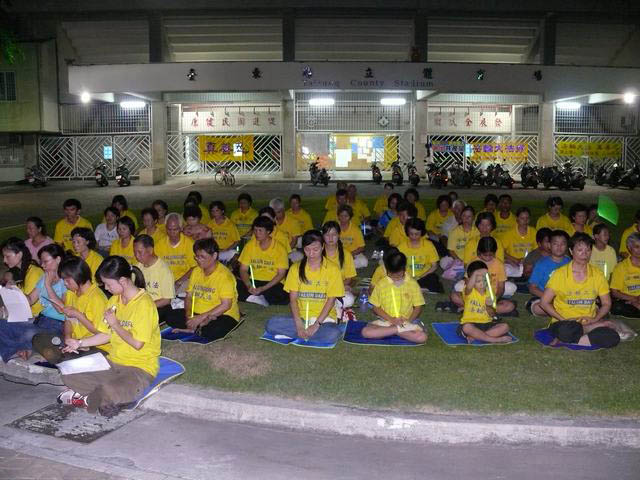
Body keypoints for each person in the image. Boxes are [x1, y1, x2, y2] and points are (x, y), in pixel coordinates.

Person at [57, 256, 161, 416]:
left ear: (123, 281)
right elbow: (105, 334)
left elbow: (137, 344)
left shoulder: (144, 304)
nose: (106, 288)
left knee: (109, 390)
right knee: (68, 372)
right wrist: (79, 343)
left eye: (108, 284)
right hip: (112, 363)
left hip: (139, 368)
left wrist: (116, 324)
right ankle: (98, 398)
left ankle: (91, 397)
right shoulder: (113, 300)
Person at [539, 233, 619, 348]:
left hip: (589, 321)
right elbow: (544, 302)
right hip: (564, 323)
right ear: (571, 251)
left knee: (613, 337)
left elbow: (607, 303)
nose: (584, 254)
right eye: (580, 250)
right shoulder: (560, 274)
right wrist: (564, 320)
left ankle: (571, 338)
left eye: (588, 250)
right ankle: (584, 332)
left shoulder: (597, 274)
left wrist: (595, 319)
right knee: (565, 330)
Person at [265, 230, 344, 343]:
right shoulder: (295, 269)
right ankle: (304, 333)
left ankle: (301, 334)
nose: (311, 253)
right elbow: (293, 300)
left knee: (332, 334)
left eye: (315, 249)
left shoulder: (333, 269)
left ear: (322, 247)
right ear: (303, 249)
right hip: (301, 318)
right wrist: (299, 325)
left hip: (324, 320)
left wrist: (316, 324)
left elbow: (331, 301)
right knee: (271, 324)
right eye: (307, 249)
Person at [32, 256, 109, 364]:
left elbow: (100, 333)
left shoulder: (97, 298)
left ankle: (61, 359)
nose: (65, 284)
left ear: (78, 276)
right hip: (75, 343)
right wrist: (68, 339)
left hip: (93, 345)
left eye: (67, 280)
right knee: (37, 338)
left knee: (62, 356)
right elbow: (68, 321)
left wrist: (78, 315)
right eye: (63, 280)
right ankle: (61, 358)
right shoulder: (71, 293)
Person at [0, 244, 67, 362]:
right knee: (2, 324)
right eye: (41, 262)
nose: (43, 265)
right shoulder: (44, 277)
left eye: (46, 261)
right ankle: (17, 350)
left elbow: (62, 310)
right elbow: (30, 299)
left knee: (29, 334)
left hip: (57, 325)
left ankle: (17, 350)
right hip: (40, 321)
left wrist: (48, 285)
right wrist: (14, 289)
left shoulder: (66, 280)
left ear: (58, 259)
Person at [166, 238, 242, 340]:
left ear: (214, 256)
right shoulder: (196, 271)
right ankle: (198, 327)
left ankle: (199, 326)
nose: (198, 259)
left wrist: (201, 318)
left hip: (221, 315)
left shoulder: (224, 276)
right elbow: (189, 297)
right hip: (198, 313)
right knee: (170, 315)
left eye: (202, 257)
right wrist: (189, 315)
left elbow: (226, 305)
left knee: (214, 330)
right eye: (197, 256)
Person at [362, 250, 427, 344]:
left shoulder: (413, 284)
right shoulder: (381, 284)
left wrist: (408, 321)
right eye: (392, 275)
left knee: (422, 337)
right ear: (387, 269)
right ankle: (397, 330)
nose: (395, 277)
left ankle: (390, 331)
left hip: (407, 322)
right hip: (385, 320)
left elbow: (418, 307)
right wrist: (391, 320)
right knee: (365, 332)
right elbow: (376, 307)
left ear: (404, 269)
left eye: (399, 275)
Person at [448, 237, 516, 315]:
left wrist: (494, 298)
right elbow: (468, 284)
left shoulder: (499, 264)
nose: (487, 258)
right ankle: (484, 311)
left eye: (490, 255)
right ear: (479, 252)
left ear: (495, 252)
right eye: (485, 255)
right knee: (454, 296)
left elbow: (501, 287)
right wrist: (476, 298)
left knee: (510, 306)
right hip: (474, 297)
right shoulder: (473, 263)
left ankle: (472, 310)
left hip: (490, 298)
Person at [237, 216, 289, 306]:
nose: (257, 233)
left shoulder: (280, 248)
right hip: (254, 281)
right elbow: (243, 269)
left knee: (281, 294)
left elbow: (281, 274)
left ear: (268, 231)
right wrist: (249, 285)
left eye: (260, 230)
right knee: (235, 285)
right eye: (255, 230)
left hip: (271, 283)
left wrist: (263, 288)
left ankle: (254, 298)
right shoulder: (250, 246)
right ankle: (257, 298)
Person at [457, 260, 512, 344]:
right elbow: (469, 287)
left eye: (484, 280)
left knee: (505, 327)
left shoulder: (490, 294)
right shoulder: (469, 291)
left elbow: (492, 314)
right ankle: (494, 339)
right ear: (471, 281)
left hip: (487, 323)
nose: (482, 283)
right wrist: (476, 273)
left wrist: (488, 306)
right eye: (478, 281)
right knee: (467, 327)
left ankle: (475, 336)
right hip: (471, 323)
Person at [133, 235, 180, 325]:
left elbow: (166, 300)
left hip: (157, 307)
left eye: (140, 252)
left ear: (150, 250)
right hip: (140, 304)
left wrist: (145, 306)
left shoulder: (163, 270)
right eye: (135, 252)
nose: (137, 256)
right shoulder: (137, 266)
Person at [527, 230, 571, 316]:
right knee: (537, 308)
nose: (559, 247)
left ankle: (562, 311)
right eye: (555, 244)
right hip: (544, 297)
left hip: (565, 298)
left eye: (562, 244)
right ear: (549, 245)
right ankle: (564, 312)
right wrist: (550, 298)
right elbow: (532, 288)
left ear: (567, 246)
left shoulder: (570, 263)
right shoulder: (541, 264)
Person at [155, 213, 197, 295]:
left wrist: (179, 282)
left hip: (185, 280)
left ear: (181, 228)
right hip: (165, 281)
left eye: (175, 229)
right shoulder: (159, 245)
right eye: (169, 229)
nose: (172, 232)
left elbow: (194, 267)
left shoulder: (190, 244)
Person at [398, 218, 443, 293]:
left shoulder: (429, 245)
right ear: (407, 233)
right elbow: (397, 266)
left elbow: (434, 266)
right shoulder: (401, 247)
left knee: (433, 278)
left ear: (422, 233)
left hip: (423, 276)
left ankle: (414, 289)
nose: (414, 237)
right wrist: (407, 277)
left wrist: (420, 277)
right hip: (407, 277)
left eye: (417, 234)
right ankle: (420, 289)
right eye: (411, 234)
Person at [2, 237, 44, 317]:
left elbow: (27, 302)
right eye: (4, 257)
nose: (4, 260)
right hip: (26, 314)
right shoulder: (20, 269)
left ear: (20, 254)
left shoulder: (34, 272)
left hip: (35, 316)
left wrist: (14, 288)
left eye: (7, 256)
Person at [322, 221, 356, 312]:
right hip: (321, 288)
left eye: (334, 234)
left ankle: (331, 304)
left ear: (339, 235)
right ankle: (332, 304)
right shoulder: (318, 252)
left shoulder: (346, 254)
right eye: (327, 235)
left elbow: (349, 279)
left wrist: (336, 287)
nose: (330, 238)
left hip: (340, 287)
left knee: (349, 299)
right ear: (323, 236)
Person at [441, 205, 477, 280]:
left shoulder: (477, 231)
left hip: (473, 260)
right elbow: (451, 250)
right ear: (461, 217)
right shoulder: (454, 232)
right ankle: (465, 273)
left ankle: (463, 273)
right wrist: (460, 261)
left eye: (469, 216)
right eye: (464, 216)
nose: (466, 219)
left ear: (473, 217)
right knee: (443, 262)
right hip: (458, 260)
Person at [610, 232, 640, 318]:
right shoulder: (621, 267)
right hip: (628, 301)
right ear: (629, 248)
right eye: (637, 247)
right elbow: (615, 292)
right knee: (617, 307)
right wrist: (633, 299)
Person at [502, 207, 537, 277]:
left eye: (527, 218)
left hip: (529, 264)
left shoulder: (534, 232)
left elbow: (537, 250)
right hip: (513, 264)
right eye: (522, 218)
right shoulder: (509, 234)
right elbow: (501, 251)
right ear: (517, 219)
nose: (525, 221)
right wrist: (515, 260)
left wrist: (529, 260)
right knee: (506, 269)